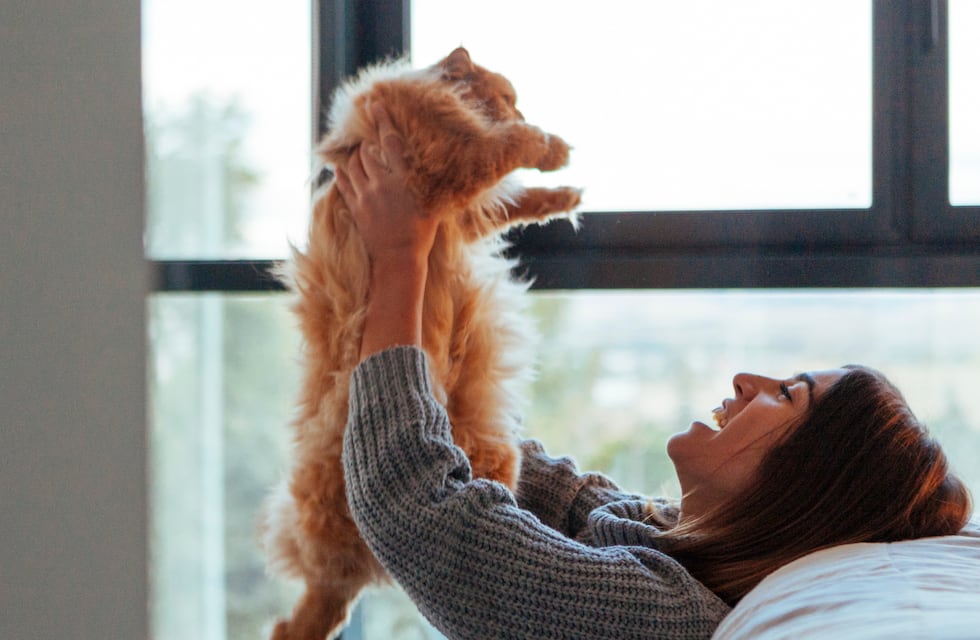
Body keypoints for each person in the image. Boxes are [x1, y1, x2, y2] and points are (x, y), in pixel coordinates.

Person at [335, 103, 974, 640]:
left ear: (806, 482)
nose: (746, 380)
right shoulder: (662, 534)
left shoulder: (662, 610)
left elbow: (419, 510)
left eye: (787, 395)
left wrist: (400, 257)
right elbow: (522, 473)